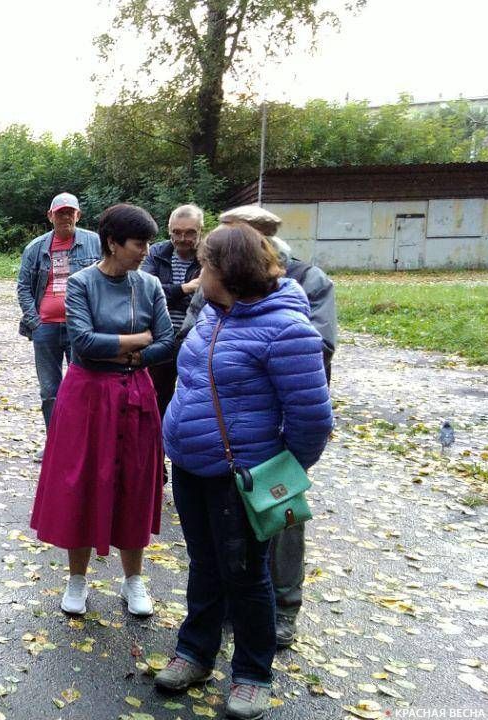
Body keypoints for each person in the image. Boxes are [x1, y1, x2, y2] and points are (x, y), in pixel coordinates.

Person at [155, 224, 333, 719]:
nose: (198, 273)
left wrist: (279, 471)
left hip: (241, 476)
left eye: (206, 265)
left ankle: (253, 675)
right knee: (205, 564)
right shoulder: (213, 315)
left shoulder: (288, 331)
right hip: (191, 466)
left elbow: (313, 418)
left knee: (246, 574)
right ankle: (195, 653)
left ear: (227, 272)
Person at [203, 206, 339, 650]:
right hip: (223, 434)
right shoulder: (215, 284)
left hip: (275, 428)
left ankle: (284, 606)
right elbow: (193, 333)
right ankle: (230, 605)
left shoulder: (306, 279)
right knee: (227, 532)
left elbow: (318, 348)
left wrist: (289, 460)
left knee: (280, 517)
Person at [29, 204, 173, 619]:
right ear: (113, 243)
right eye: (138, 243)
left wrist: (132, 356)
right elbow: (83, 344)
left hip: (134, 393)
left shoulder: (149, 286)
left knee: (134, 482)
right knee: (83, 482)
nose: (146, 250)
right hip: (88, 397)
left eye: (147, 242)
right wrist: (137, 341)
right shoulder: (80, 283)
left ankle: (133, 580)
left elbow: (166, 341)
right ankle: (77, 579)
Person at [16, 192, 103, 458]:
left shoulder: (95, 243)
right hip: (46, 328)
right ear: (50, 215)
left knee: (84, 387)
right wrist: (35, 321)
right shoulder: (36, 248)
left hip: (82, 329)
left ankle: (83, 444)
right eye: (60, 212)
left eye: (70, 212)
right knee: (50, 390)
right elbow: (23, 288)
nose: (65, 217)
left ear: (78, 215)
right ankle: (55, 443)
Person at [141, 204, 204, 417]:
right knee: (157, 396)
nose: (182, 238)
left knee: (194, 399)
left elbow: (208, 300)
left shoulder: (210, 256)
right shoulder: (156, 253)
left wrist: (167, 295)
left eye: (189, 232)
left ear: (200, 231)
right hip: (159, 335)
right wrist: (186, 288)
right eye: (176, 232)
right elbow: (146, 293)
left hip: (195, 336)